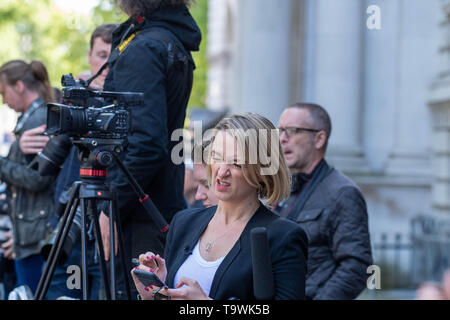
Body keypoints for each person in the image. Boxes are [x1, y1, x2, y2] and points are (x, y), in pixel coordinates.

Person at [132, 113, 308, 300]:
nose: (221, 172)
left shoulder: (283, 237)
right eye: (216, 157)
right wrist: (155, 294)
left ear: (261, 170)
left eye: (236, 163)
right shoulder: (183, 222)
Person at [98, 0, 201, 299]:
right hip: (158, 207)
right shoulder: (169, 41)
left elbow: (145, 144)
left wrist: (110, 206)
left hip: (140, 215)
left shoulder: (145, 47)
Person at [275, 102, 372, 300]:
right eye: (280, 130)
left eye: (292, 131)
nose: (282, 138)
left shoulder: (343, 192)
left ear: (319, 139)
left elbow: (358, 267)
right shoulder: (282, 189)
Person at [0, 60, 57, 294]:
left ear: (20, 86)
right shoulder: (32, 116)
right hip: (29, 231)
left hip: (36, 234)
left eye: (4, 92)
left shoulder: (37, 119)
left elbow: (38, 178)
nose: (4, 100)